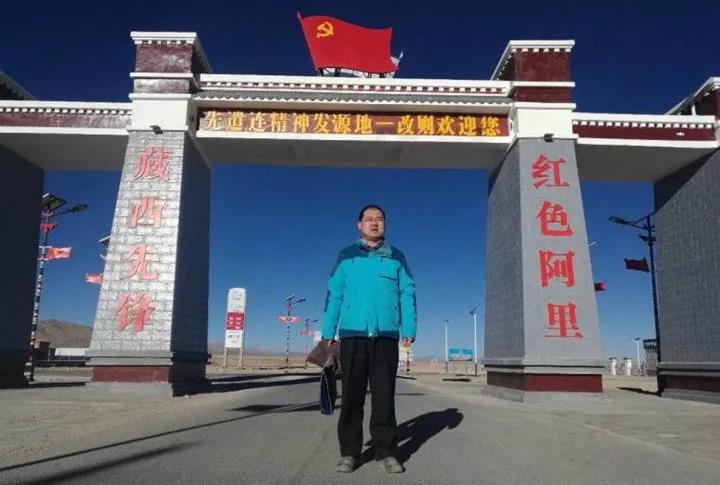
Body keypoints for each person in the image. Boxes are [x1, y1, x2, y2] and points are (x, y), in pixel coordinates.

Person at [320, 204, 417, 474]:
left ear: (385, 224)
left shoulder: (397, 257)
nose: (375, 223)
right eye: (369, 219)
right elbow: (334, 294)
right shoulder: (346, 256)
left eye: (380, 219)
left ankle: (386, 451)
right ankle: (349, 453)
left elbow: (407, 293)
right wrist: (328, 331)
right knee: (352, 397)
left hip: (386, 336)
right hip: (352, 336)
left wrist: (408, 328)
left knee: (384, 398)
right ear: (359, 225)